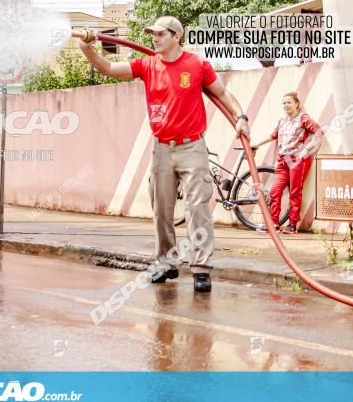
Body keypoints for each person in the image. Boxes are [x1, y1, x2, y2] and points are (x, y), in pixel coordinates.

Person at [79, 16, 251, 293]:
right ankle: (166, 262)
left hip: (192, 146)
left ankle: (201, 268)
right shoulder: (148, 65)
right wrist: (88, 49)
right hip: (161, 148)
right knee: (162, 210)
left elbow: (223, 93)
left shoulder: (197, 65)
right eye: (153, 34)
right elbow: (109, 68)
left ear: (176, 36)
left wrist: (241, 117)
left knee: (197, 209)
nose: (154, 39)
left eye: (160, 34)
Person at [250, 91, 323, 234]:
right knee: (274, 191)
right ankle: (274, 224)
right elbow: (273, 136)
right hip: (283, 159)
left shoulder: (303, 118)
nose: (286, 105)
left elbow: (319, 131)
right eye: (284, 103)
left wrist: (307, 148)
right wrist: (257, 144)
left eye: (289, 102)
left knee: (295, 192)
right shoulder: (282, 121)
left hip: (297, 160)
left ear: (296, 104)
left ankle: (292, 225)